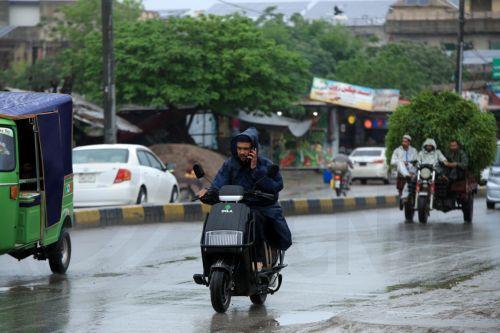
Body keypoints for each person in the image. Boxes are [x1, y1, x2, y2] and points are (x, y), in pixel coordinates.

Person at [197, 127, 292, 270]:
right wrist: (208, 192)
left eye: (246, 149)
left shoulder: (265, 164)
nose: (242, 152)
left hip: (260, 206)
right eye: (239, 148)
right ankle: (214, 258)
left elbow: (276, 185)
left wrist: (255, 169)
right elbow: (219, 183)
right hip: (236, 207)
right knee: (216, 216)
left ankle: (258, 259)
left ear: (253, 149)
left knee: (255, 218)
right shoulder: (229, 164)